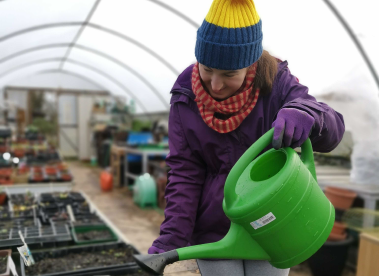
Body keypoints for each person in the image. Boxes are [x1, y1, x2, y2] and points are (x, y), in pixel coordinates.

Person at [148, 0, 345, 275]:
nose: (215, 85)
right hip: (215, 231)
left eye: (229, 74)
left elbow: (333, 131)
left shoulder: (278, 83)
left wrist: (305, 112)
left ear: (250, 65)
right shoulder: (185, 96)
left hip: (271, 222)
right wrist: (172, 237)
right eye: (206, 69)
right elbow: (185, 172)